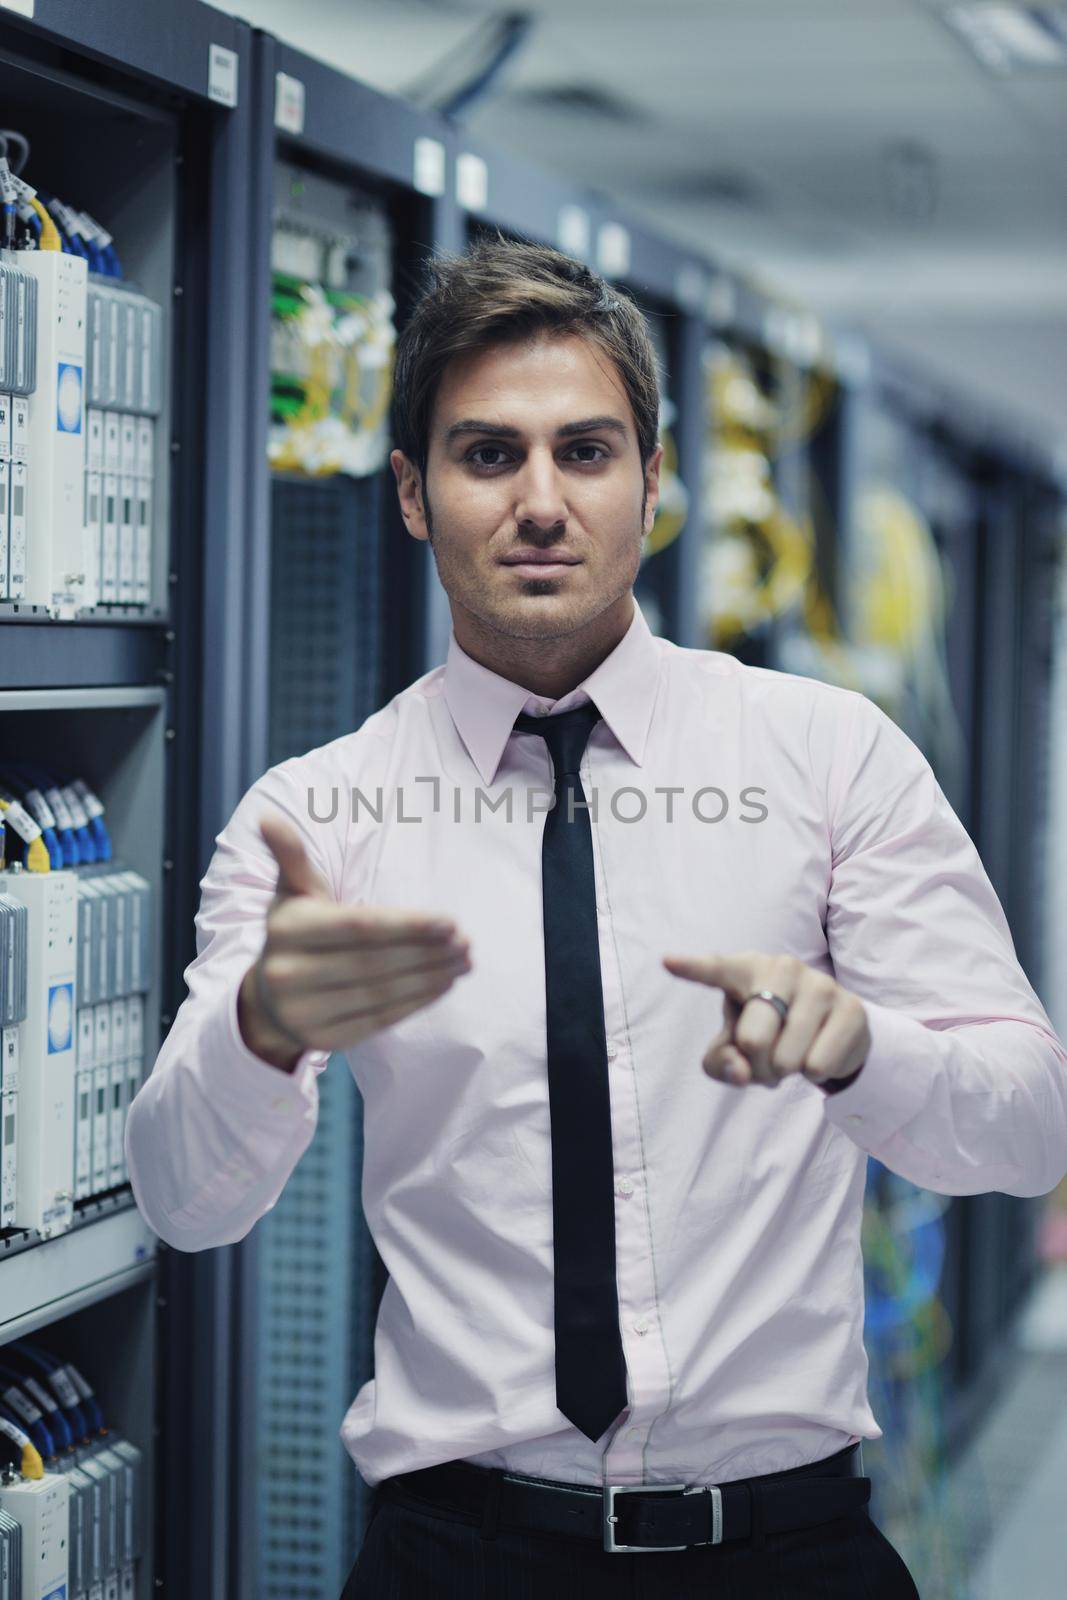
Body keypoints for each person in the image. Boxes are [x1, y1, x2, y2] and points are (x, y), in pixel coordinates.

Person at [125, 233, 1067, 1600]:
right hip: (458, 1557)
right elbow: (183, 1200)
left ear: (654, 483)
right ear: (410, 492)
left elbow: (1033, 1123)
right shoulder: (320, 817)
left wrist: (868, 1050)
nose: (541, 502)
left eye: (587, 450)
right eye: (488, 455)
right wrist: (260, 1030)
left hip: (783, 1554)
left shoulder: (825, 756)